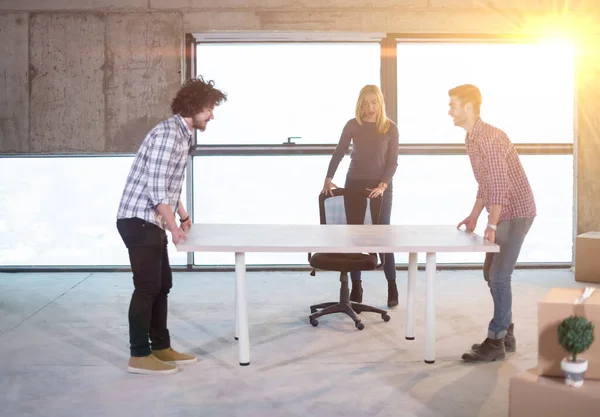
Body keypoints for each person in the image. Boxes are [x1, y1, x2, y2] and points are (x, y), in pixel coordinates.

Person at [116, 76, 227, 374]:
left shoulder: (183, 135)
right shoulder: (167, 135)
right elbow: (155, 189)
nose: (212, 115)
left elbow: (170, 184)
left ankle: (161, 348)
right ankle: (139, 355)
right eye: (209, 108)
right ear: (194, 106)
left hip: (150, 220)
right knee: (147, 286)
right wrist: (173, 227)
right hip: (138, 219)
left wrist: (183, 215)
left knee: (163, 284)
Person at [449, 84, 536, 362]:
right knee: (491, 274)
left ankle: (496, 340)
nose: (449, 110)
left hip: (516, 212)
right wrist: (474, 215)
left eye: (453, 105)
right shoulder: (472, 139)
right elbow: (485, 183)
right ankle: (506, 330)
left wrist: (492, 224)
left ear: (469, 107)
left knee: (499, 275)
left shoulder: (489, 138)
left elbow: (499, 185)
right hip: (503, 211)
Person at [321, 84, 400, 308]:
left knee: (382, 238)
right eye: (365, 103)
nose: (370, 108)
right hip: (354, 183)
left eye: (374, 102)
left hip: (380, 188)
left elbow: (393, 161)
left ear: (380, 103)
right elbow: (339, 152)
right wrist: (328, 177)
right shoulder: (353, 125)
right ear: (360, 104)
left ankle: (392, 285)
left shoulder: (390, 128)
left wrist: (383, 185)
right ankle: (356, 286)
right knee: (354, 237)